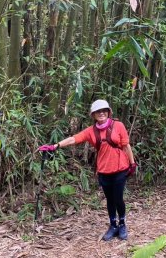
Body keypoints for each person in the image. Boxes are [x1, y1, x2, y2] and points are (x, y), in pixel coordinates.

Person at [38, 100, 137, 241]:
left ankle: (122, 224)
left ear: (109, 112)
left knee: (118, 198)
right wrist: (55, 146)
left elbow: (126, 146)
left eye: (104, 110)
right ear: (93, 115)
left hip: (120, 168)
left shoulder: (118, 126)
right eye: (98, 111)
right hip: (103, 170)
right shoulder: (91, 131)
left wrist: (132, 164)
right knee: (109, 199)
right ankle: (113, 225)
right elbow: (74, 139)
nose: (101, 113)